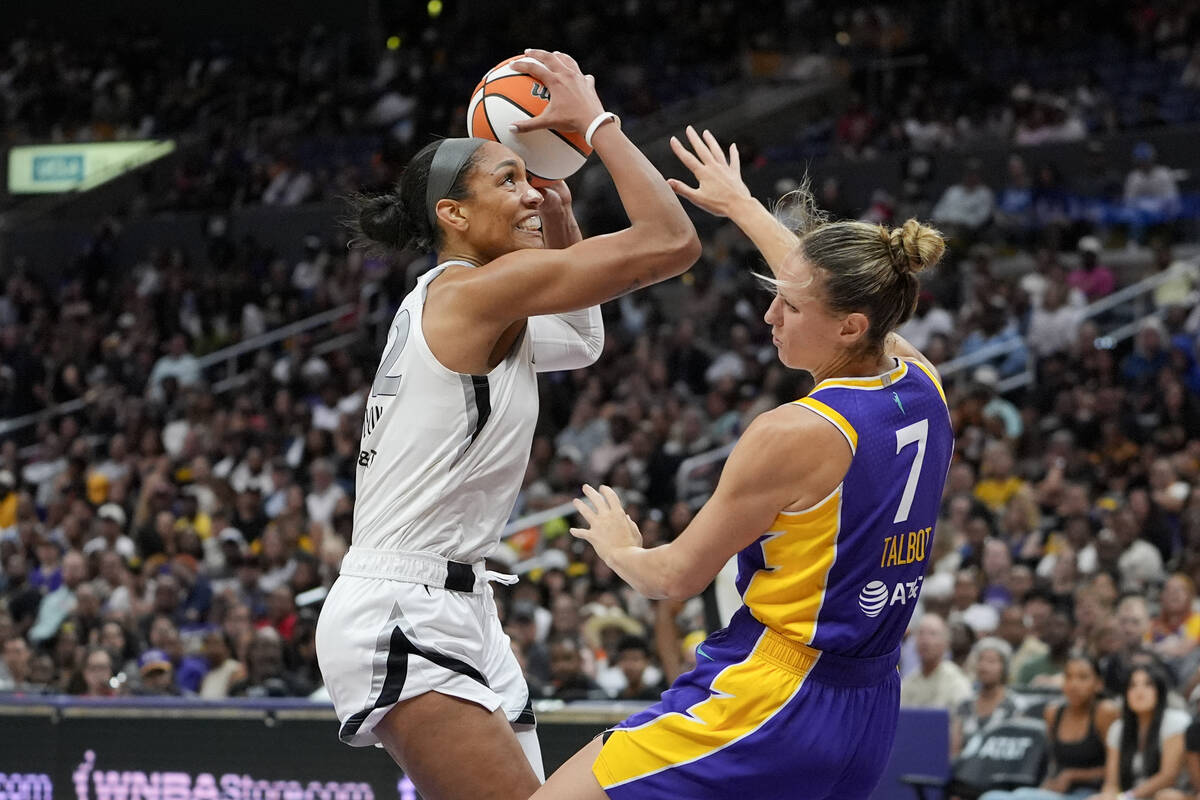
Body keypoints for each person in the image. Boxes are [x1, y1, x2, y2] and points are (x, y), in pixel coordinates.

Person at [314, 49, 699, 800]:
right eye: (510, 181)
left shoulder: (470, 299)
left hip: (460, 603)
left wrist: (560, 224)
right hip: (403, 604)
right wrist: (597, 123)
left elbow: (581, 343)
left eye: (530, 178)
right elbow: (671, 243)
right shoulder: (476, 294)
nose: (531, 193)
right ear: (452, 215)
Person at [531, 127, 954, 799]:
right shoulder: (921, 379)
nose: (769, 316)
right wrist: (741, 206)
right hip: (870, 707)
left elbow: (671, 578)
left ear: (849, 327)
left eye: (788, 304)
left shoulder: (795, 432)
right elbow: (834, 281)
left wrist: (619, 546)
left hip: (772, 697)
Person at [981, 653, 1118, 800]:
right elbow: (1054, 761)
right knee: (992, 797)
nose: (1074, 684)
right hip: (1060, 791)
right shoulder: (1053, 712)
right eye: (1068, 677)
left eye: (1082, 677)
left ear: (1098, 684)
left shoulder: (1105, 712)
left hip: (1093, 793)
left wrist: (1073, 775)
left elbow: (1118, 769)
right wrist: (1052, 781)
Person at [1087, 664, 1187, 800]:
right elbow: (1111, 782)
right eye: (1133, 686)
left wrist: (1126, 797)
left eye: (1148, 685)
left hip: (1161, 795)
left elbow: (1168, 777)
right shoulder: (1118, 728)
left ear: (1160, 690)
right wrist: (1109, 795)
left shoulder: (1175, 721)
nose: (1139, 691)